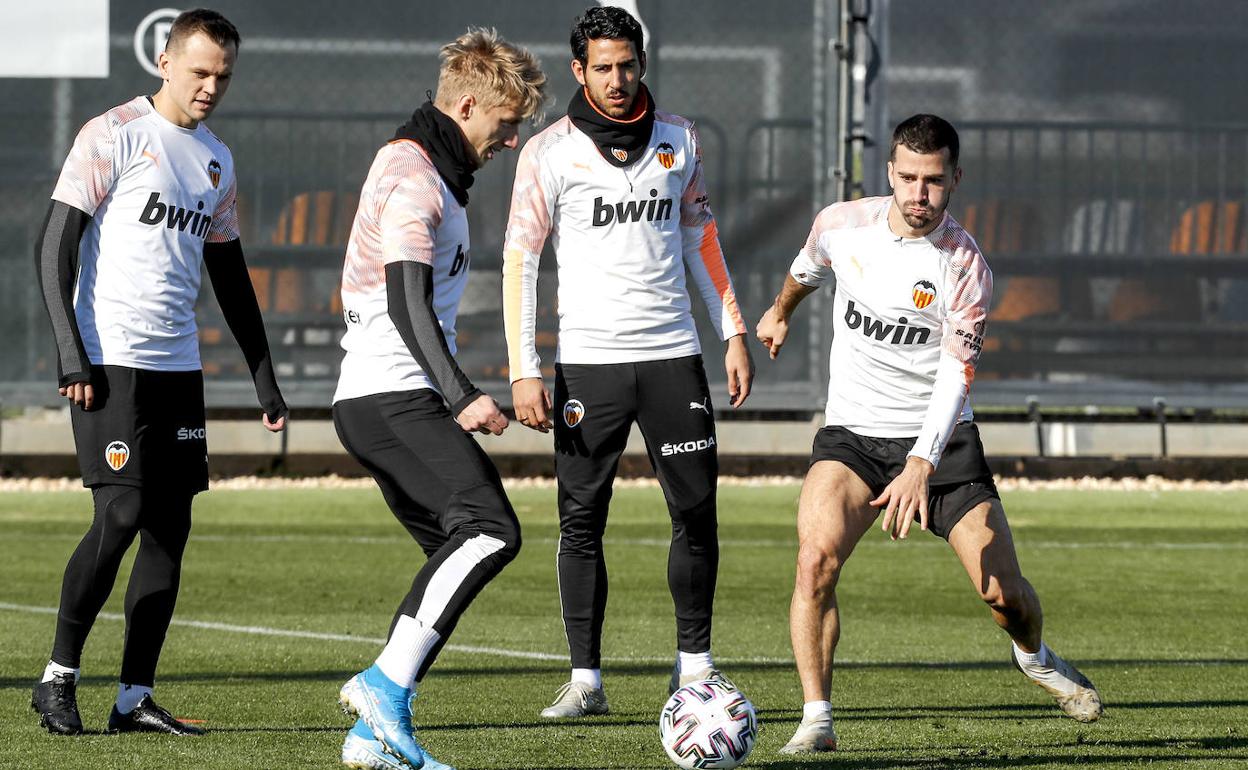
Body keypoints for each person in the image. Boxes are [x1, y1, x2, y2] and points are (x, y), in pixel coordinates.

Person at [755, 114, 1103, 754]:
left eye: (934, 181)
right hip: (853, 437)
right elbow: (806, 269)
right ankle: (817, 720)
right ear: (889, 173)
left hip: (941, 445)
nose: (919, 194)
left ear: (955, 180)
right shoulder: (842, 225)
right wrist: (779, 312)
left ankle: (1032, 655)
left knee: (1004, 596)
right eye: (908, 178)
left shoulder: (965, 264)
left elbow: (956, 374)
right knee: (814, 561)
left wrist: (922, 461)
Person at [30, 8, 287, 738]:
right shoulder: (113, 134)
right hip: (109, 357)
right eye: (200, 71)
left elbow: (229, 272)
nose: (210, 87)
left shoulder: (217, 160)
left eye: (223, 76)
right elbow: (53, 245)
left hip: (177, 364)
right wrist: (69, 351)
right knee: (120, 512)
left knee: (170, 527)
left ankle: (132, 697)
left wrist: (263, 373)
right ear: (166, 62)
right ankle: (56, 681)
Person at [502, 5, 754, 719]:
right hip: (589, 364)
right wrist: (525, 367)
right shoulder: (547, 152)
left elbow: (700, 235)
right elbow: (519, 261)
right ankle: (586, 681)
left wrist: (731, 330)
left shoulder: (680, 138)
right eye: (602, 68)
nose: (617, 80)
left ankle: (695, 672)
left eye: (628, 65)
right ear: (578, 71)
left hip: (674, 358)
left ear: (643, 65)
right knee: (581, 520)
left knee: (696, 513)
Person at [331, 28, 547, 770]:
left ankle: (373, 739)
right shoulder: (414, 176)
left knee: (457, 551)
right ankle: (381, 688)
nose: (512, 140)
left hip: (386, 397)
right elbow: (404, 300)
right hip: (393, 398)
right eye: (506, 123)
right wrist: (460, 396)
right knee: (491, 531)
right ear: (465, 105)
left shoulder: (435, 171)